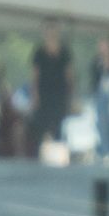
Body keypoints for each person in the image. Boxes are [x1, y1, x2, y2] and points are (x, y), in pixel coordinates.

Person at [29, 19, 73, 153]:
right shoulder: (39, 52)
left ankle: (58, 153)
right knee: (42, 124)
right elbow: (34, 75)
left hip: (59, 93)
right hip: (44, 93)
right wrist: (35, 95)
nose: (50, 33)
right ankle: (41, 152)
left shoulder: (65, 51)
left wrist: (70, 96)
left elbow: (69, 75)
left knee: (58, 124)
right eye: (48, 30)